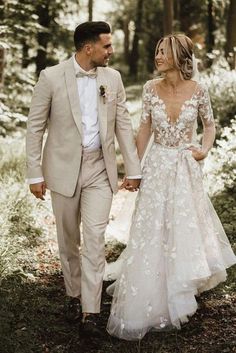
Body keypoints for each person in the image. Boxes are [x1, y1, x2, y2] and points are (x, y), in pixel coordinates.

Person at [106, 33, 236, 340]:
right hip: (157, 165)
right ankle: (151, 288)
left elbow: (210, 125)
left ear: (179, 56)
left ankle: (180, 284)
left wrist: (203, 150)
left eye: (163, 52)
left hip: (185, 168)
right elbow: (143, 131)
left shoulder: (199, 90)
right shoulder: (151, 89)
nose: (158, 56)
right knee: (152, 227)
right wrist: (133, 169)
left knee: (182, 226)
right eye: (157, 52)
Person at [26, 21, 141, 336]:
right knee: (68, 240)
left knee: (94, 240)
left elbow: (123, 124)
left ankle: (90, 311)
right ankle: (73, 293)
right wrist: (34, 173)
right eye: (106, 45)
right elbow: (35, 128)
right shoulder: (50, 77)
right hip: (62, 170)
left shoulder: (112, 78)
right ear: (88, 47)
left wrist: (133, 169)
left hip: (99, 170)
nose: (111, 51)